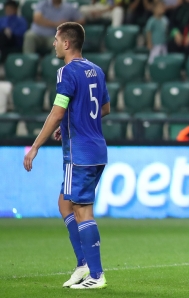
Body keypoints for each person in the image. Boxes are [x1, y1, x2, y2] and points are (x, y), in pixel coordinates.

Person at [23, 22, 111, 289]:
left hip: (80, 153)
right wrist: (70, 124)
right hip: (96, 149)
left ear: (67, 43)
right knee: (65, 204)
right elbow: (104, 108)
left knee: (83, 210)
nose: (53, 43)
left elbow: (57, 111)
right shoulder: (95, 70)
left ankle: (96, 275)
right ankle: (83, 264)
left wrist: (36, 145)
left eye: (56, 39)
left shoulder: (67, 72)